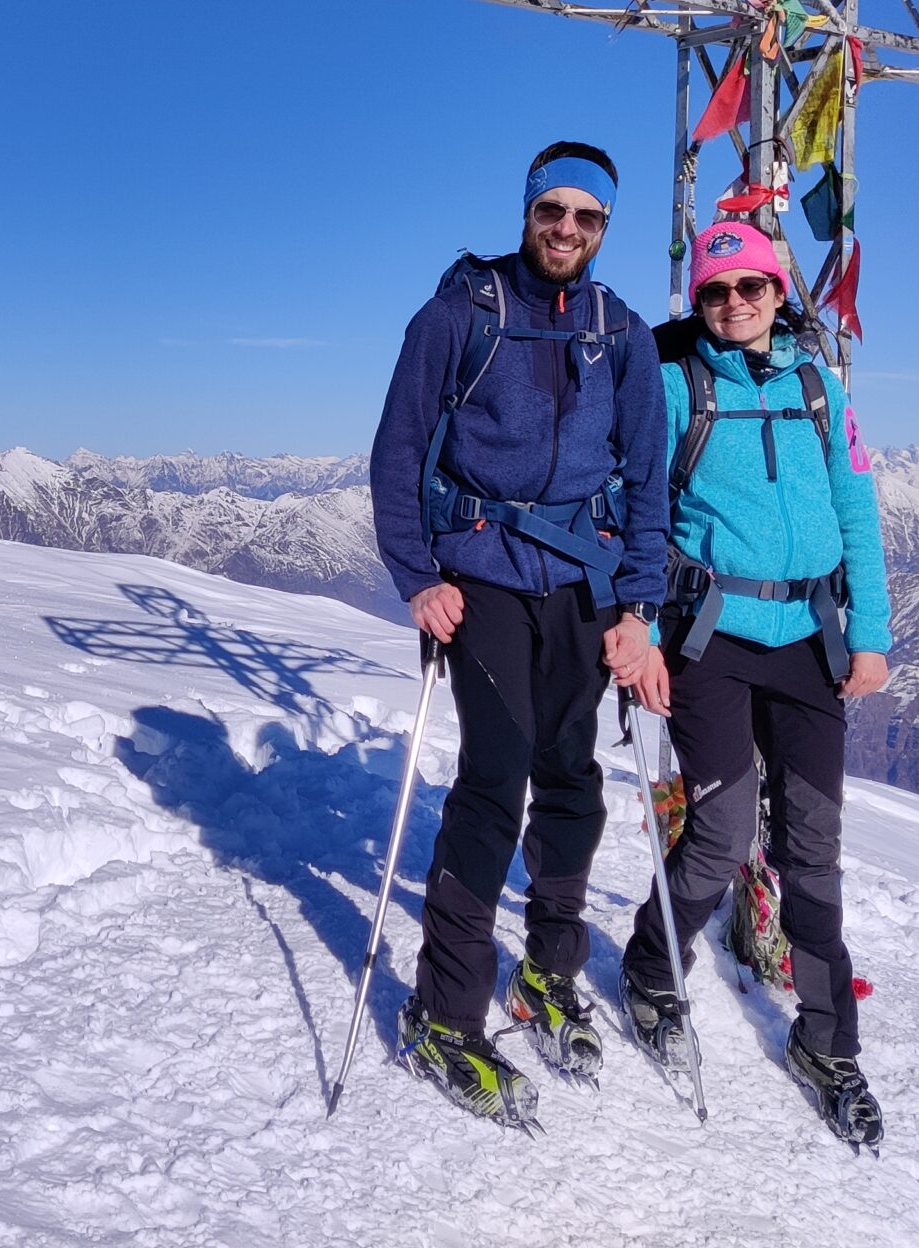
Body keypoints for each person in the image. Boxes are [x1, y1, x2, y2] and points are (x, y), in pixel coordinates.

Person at [368, 141, 670, 1128]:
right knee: (495, 779)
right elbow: (400, 447)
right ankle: (442, 1011)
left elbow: (648, 478)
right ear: (527, 210)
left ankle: (547, 971)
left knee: (573, 778)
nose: (567, 231)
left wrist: (635, 607)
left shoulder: (617, 334)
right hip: (486, 573)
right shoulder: (461, 312)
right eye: (553, 211)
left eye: (587, 219)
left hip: (580, 583)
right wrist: (418, 578)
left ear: (604, 230)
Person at [618, 218, 891, 1146]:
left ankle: (827, 1043)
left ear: (780, 294)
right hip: (711, 637)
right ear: (697, 302)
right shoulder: (670, 383)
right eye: (715, 292)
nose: (734, 305)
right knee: (725, 829)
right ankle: (654, 965)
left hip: (809, 638)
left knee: (813, 846)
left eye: (752, 289)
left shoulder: (821, 386)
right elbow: (641, 515)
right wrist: (644, 635)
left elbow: (858, 509)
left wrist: (872, 634)